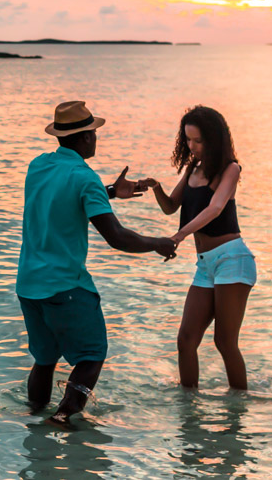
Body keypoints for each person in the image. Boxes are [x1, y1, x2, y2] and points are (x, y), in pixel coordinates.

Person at [17, 100, 177, 425]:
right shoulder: (84, 177)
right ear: (86, 137)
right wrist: (158, 243)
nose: (96, 138)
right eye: (93, 132)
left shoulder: (38, 166)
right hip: (66, 287)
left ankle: (31, 418)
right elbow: (117, 236)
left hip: (29, 286)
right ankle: (61, 419)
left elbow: (62, 198)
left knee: (45, 359)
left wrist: (111, 192)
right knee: (92, 355)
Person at [139, 105, 257, 391]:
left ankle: (237, 411)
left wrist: (178, 236)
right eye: (187, 140)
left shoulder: (231, 169)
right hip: (205, 264)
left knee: (224, 342)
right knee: (186, 340)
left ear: (214, 139)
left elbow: (215, 208)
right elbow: (171, 207)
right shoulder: (193, 168)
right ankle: (188, 410)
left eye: (198, 140)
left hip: (232, 259)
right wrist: (156, 188)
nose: (191, 146)